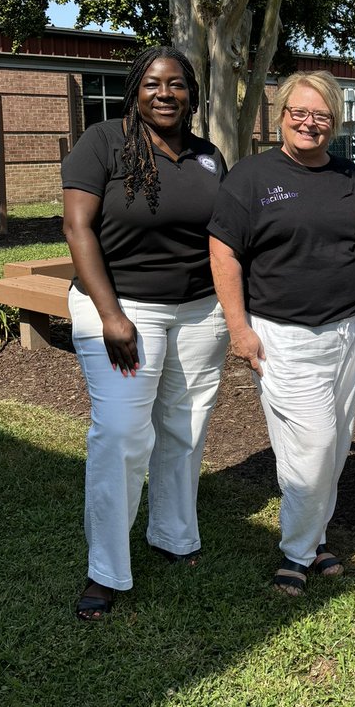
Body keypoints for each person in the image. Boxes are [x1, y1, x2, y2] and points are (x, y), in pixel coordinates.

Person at [62, 47, 229, 620]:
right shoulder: (104, 142)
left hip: (200, 313)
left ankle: (174, 534)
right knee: (121, 435)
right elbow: (76, 226)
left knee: (184, 430)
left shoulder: (208, 157)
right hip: (123, 311)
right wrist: (111, 314)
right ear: (135, 90)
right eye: (153, 83)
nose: (165, 93)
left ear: (192, 94)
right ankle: (105, 569)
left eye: (177, 84)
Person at [208, 71, 355, 596]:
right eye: (299, 113)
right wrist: (239, 327)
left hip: (349, 329)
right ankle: (297, 554)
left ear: (336, 121)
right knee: (314, 444)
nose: (309, 123)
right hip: (284, 334)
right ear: (280, 117)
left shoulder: (352, 175)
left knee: (335, 440)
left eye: (321, 115)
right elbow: (224, 251)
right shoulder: (251, 177)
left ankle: (316, 536)